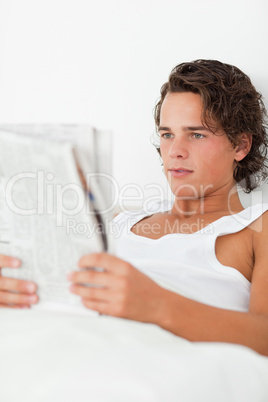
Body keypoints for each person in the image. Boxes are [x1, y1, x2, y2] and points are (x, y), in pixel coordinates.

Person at [1, 60, 268, 357]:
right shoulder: (116, 222)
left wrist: (157, 305)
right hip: (55, 344)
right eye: (167, 134)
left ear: (241, 145)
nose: (175, 151)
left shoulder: (257, 227)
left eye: (197, 134)